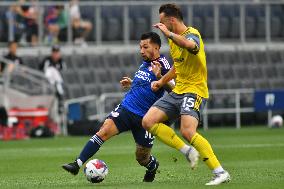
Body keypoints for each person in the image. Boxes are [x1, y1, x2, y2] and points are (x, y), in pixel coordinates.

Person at [62, 32, 199, 182]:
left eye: (145, 47)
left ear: (156, 47)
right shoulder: (144, 63)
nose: (141, 50)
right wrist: (132, 83)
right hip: (127, 108)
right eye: (140, 47)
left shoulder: (164, 64)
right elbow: (146, 83)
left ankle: (152, 166)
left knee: (141, 157)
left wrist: (160, 77)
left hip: (145, 118)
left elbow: (175, 90)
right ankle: (77, 164)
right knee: (104, 131)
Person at [142, 4, 231, 186]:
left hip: (195, 90)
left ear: (171, 20)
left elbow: (191, 46)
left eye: (162, 22)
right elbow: (178, 66)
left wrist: (168, 34)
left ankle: (220, 172)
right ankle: (187, 151)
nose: (161, 25)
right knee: (148, 121)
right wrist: (161, 80)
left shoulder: (192, 34)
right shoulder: (174, 41)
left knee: (187, 131)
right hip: (178, 90)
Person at [39, 45, 66, 113]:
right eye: (54, 52)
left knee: (58, 84)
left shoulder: (61, 61)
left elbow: (64, 72)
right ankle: (58, 92)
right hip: (48, 82)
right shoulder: (47, 60)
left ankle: (60, 99)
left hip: (58, 82)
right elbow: (43, 71)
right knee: (51, 70)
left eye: (57, 52)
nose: (55, 54)